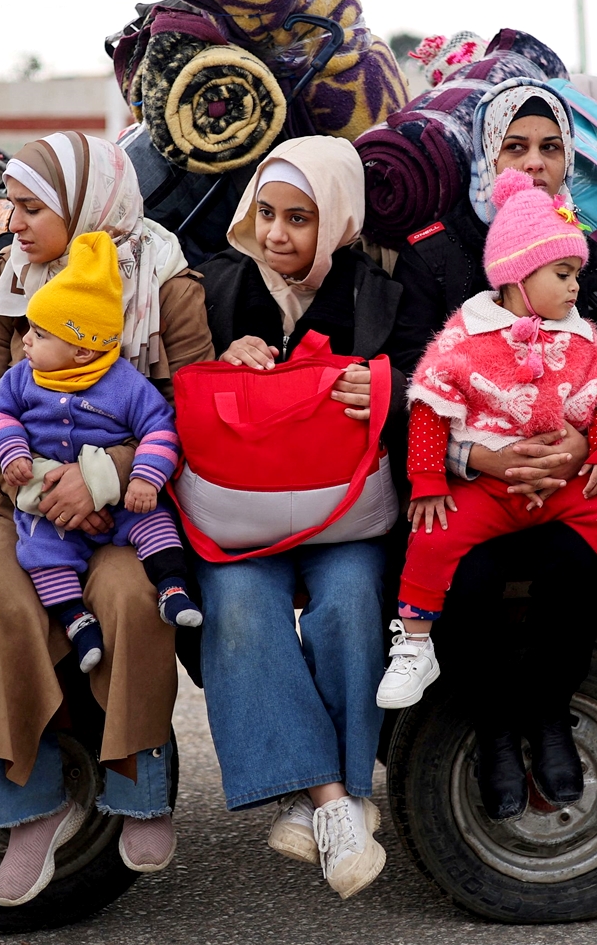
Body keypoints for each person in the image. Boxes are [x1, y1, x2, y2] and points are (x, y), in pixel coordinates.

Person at [0, 132, 214, 906]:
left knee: (133, 601)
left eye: (32, 207)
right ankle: (31, 801)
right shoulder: (7, 274)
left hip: (132, 511)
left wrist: (103, 477)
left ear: (85, 205)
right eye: (14, 206)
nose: (14, 221)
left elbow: (192, 416)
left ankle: (140, 787)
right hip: (22, 508)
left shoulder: (167, 281)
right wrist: (31, 485)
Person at [187, 135, 425, 900]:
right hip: (241, 505)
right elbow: (173, 379)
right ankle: (335, 801)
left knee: (354, 597)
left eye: (300, 217)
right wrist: (228, 354)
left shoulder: (379, 290)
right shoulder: (217, 285)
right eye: (267, 212)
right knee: (238, 604)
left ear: (343, 220)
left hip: (345, 509)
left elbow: (436, 375)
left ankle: (327, 791)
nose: (278, 233)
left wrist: (383, 391)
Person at [388, 78, 597, 822]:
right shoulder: (436, 256)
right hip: (466, 481)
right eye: (513, 148)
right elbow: (405, 378)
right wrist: (477, 455)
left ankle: (549, 712)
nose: (533, 164)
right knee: (465, 567)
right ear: (482, 158)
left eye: (550, 147)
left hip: (561, 480)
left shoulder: (591, 264)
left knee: (584, 563)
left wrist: (583, 443)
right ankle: (494, 728)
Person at [378, 168, 597, 714]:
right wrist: (428, 479)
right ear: (518, 276)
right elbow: (429, 404)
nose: (576, 287)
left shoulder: (581, 336)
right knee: (431, 537)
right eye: (564, 273)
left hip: (561, 485)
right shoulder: (466, 334)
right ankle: (413, 643)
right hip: (486, 489)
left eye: (576, 274)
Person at [0, 231, 197, 675]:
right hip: (46, 504)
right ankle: (76, 620)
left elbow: (161, 428)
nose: (26, 340)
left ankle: (173, 587)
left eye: (40, 334)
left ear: (81, 349)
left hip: (119, 502)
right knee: (40, 549)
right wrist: (13, 453)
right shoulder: (23, 379)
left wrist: (142, 479)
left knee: (153, 520)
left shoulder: (124, 385)